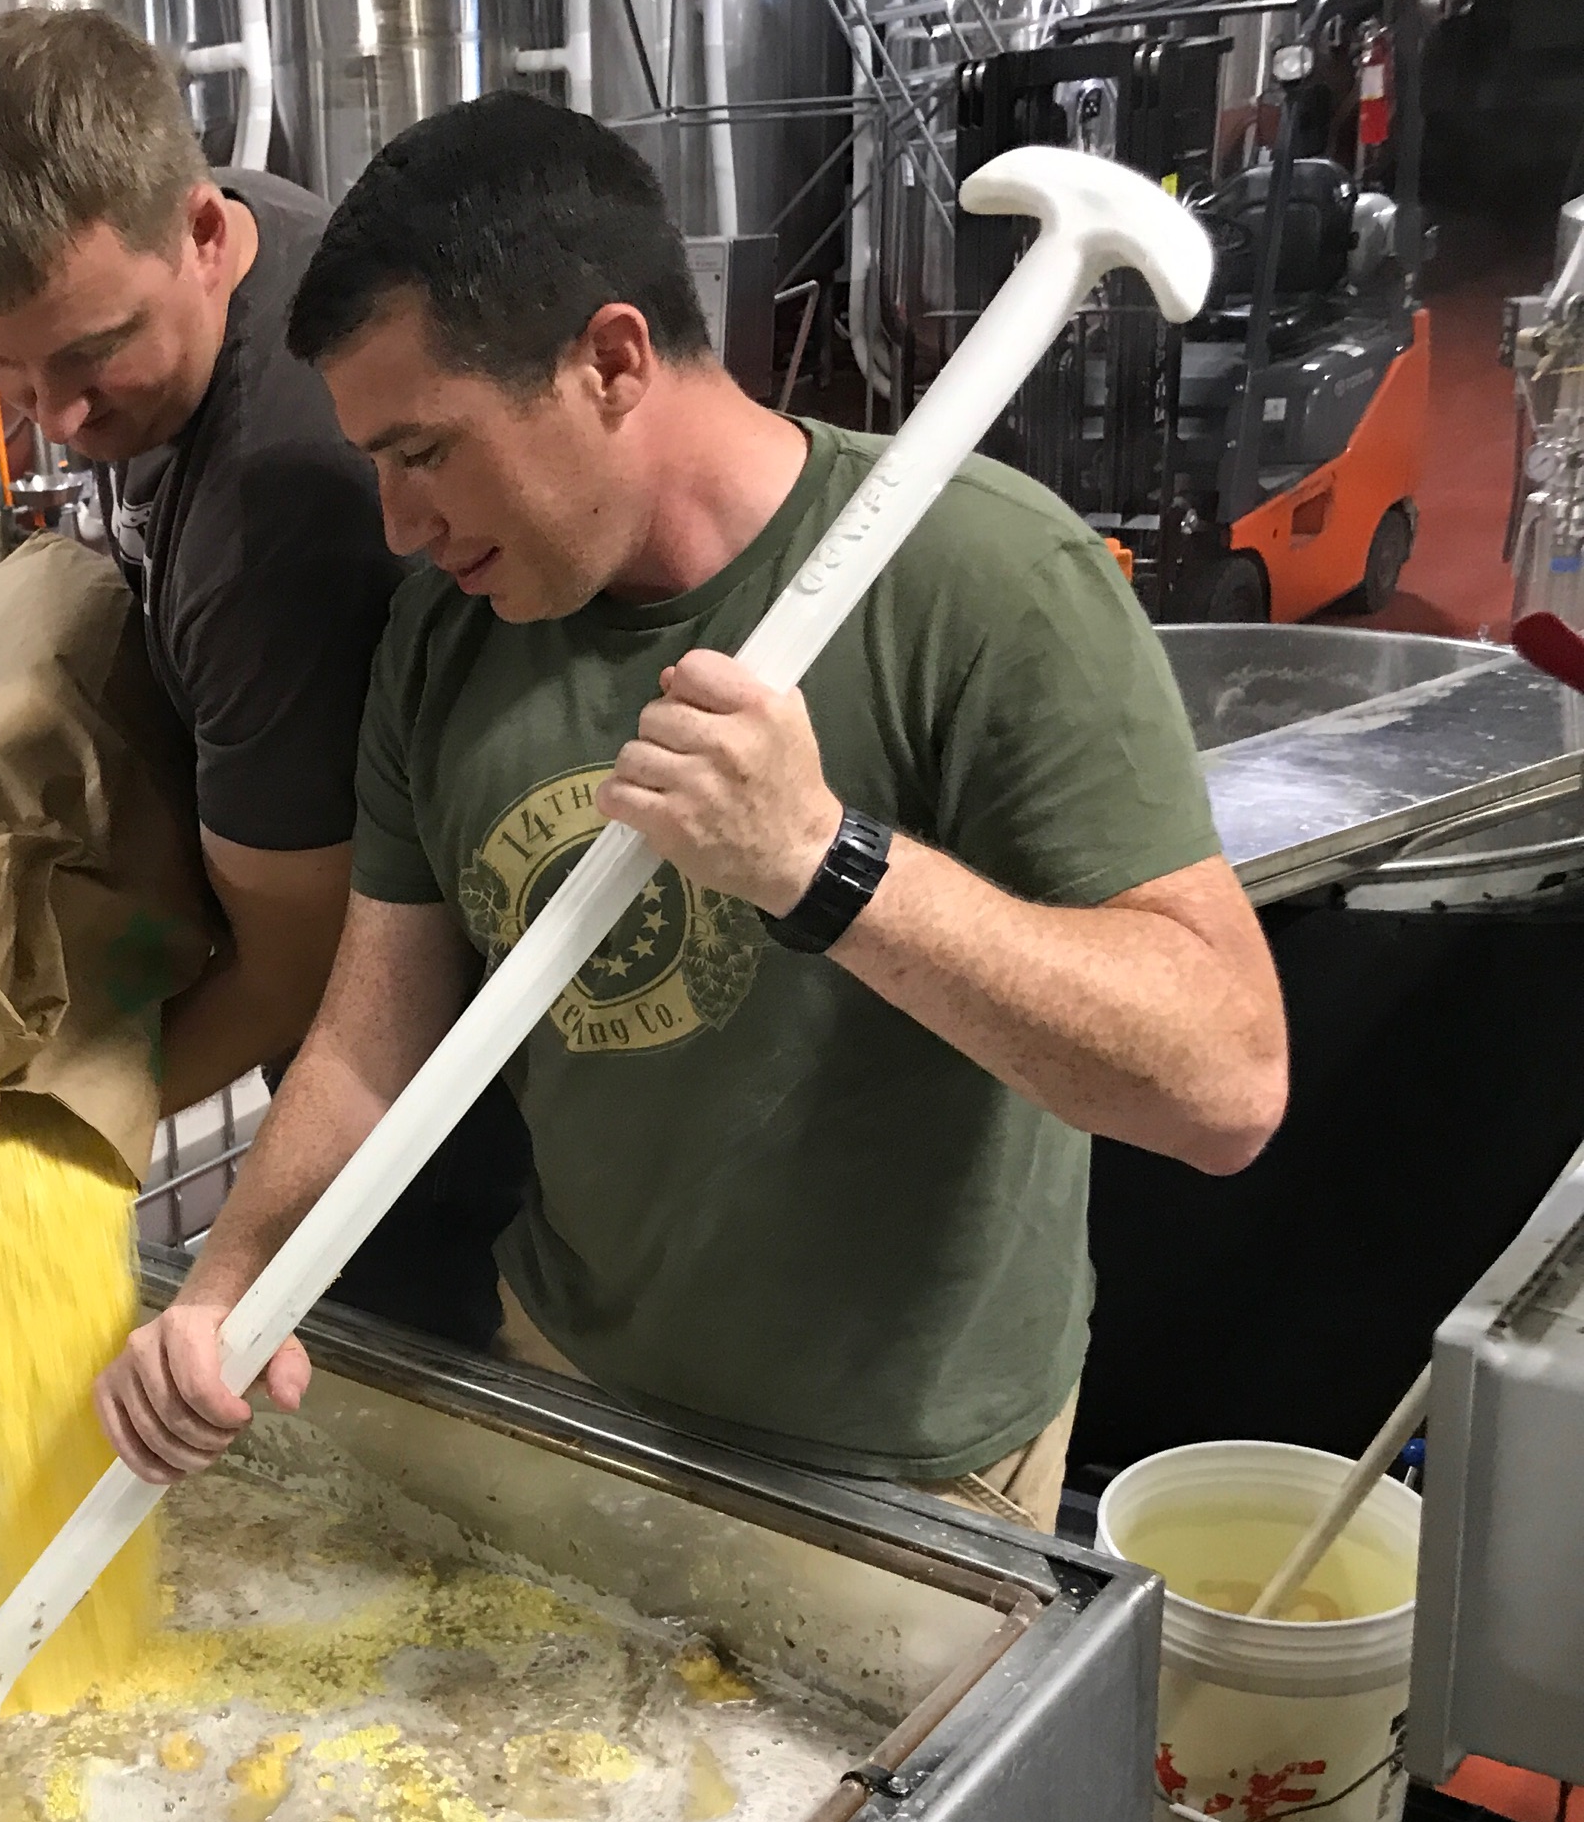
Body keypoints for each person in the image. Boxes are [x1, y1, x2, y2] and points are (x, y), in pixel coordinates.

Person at [93, 96, 1291, 1528]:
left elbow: (1226, 1083)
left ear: (611, 360)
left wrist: (822, 865)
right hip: (568, 1384)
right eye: (376, 467)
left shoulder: (990, 585)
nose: (399, 524)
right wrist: (224, 1288)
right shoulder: (448, 634)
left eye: (425, 453)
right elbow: (370, 1033)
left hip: (909, 1475)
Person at [0, 11, 526, 1347]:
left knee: (414, 1373)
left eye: (90, 353)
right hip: (361, 920)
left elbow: (303, 973)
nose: (54, 415)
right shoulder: (252, 225)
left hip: (445, 1072)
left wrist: (30, 1153)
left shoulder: (273, 517)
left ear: (193, 228)